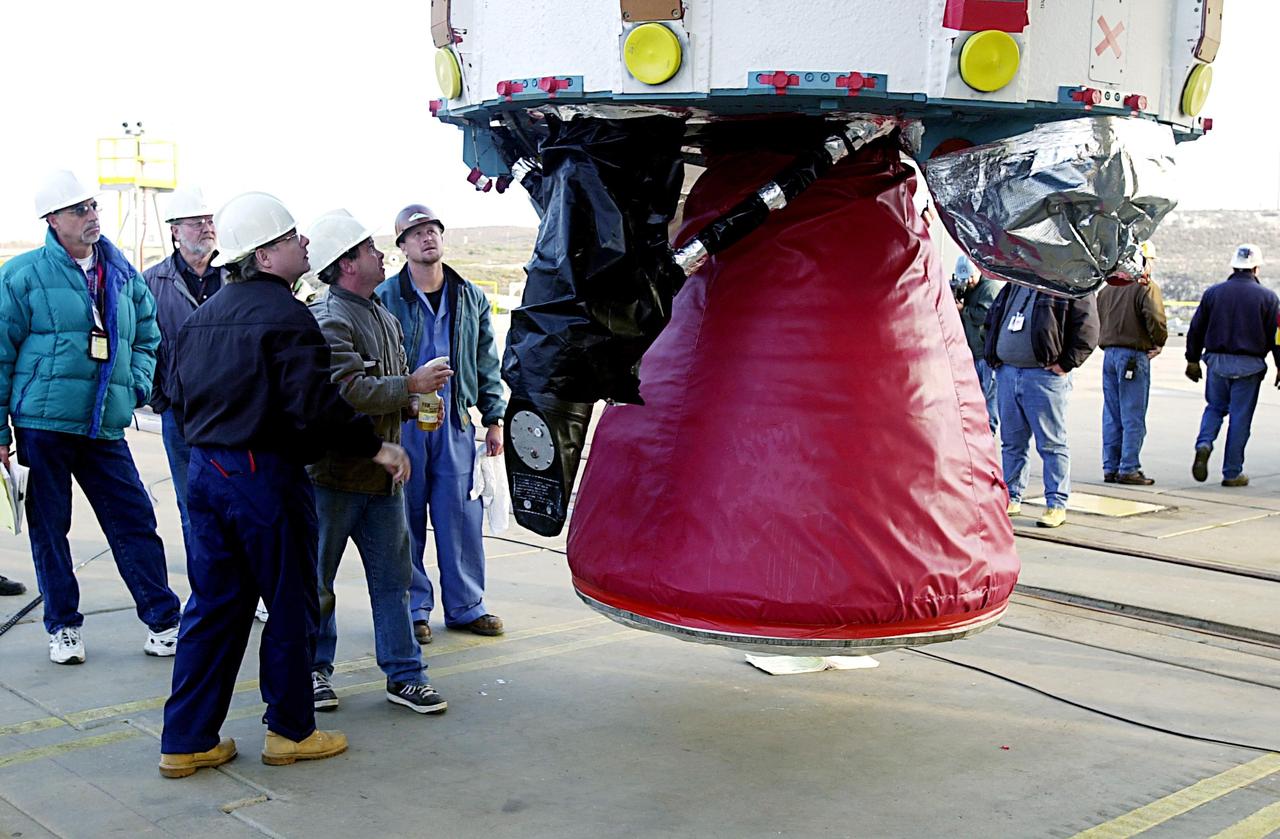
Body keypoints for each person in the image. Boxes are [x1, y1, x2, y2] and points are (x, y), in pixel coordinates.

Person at [158, 192, 410, 778]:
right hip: (263, 476)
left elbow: (170, 394)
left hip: (208, 474)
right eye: (290, 236)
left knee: (213, 607)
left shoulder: (200, 317)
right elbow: (316, 406)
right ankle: (291, 732)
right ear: (263, 258)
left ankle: (186, 740)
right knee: (292, 602)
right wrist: (375, 446)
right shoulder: (287, 315)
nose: (303, 243)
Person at [0, 170, 181, 664]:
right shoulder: (23, 275)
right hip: (43, 426)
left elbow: (149, 335)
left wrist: (137, 384)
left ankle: (163, 620)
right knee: (49, 528)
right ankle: (63, 627)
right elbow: (0, 354)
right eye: (79, 210)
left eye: (93, 207)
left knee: (134, 520)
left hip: (105, 423)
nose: (92, 216)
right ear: (53, 220)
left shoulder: (121, 274)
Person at [303, 210, 451, 715]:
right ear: (346, 263)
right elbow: (343, 393)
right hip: (332, 478)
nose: (380, 254)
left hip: (383, 478)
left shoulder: (383, 318)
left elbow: (379, 393)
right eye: (369, 248)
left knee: (394, 582)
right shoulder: (329, 319)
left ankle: (406, 675)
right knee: (316, 584)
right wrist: (410, 386)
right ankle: (314, 672)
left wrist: (413, 404)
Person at [377, 205, 507, 644]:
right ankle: (414, 608)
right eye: (416, 233)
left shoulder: (468, 295)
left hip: (454, 421)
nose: (427, 237)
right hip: (406, 419)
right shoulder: (386, 297)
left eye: (432, 230)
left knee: (461, 516)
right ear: (402, 247)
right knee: (404, 519)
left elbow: (486, 357)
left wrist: (494, 417)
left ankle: (468, 606)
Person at [143, 187, 224, 551]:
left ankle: (238, 600)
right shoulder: (150, 283)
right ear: (175, 231)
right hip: (181, 416)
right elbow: (141, 347)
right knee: (193, 507)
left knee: (236, 505)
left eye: (209, 221)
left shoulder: (233, 277)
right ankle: (207, 599)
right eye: (196, 223)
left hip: (233, 414)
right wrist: (159, 399)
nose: (206, 228)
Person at [984, 281, 1098, 528]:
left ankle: (1056, 503)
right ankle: (1011, 496)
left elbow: (1088, 328)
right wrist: (994, 356)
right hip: (1008, 373)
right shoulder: (1015, 283)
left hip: (1043, 377)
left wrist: (1066, 363)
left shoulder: (1067, 283)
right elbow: (993, 317)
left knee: (1051, 443)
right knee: (1012, 443)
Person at [1185, 243, 1280, 488]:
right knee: (1240, 418)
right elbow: (1276, 337)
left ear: (1234, 266)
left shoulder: (1213, 293)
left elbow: (1196, 329)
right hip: (1249, 366)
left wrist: (1192, 359)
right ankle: (1232, 472)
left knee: (1214, 408)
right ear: (1256, 268)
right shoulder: (1268, 298)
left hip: (1216, 362)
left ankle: (1204, 444)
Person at [1097, 241, 1167, 485]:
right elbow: (1156, 319)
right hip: (1133, 357)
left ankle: (1111, 466)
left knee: (1112, 414)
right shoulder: (1145, 287)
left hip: (1109, 356)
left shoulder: (1107, 289)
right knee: (1133, 415)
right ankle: (1129, 468)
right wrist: (1158, 343)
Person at [954, 256, 1001, 434]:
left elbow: (985, 315)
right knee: (975, 394)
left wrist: (963, 310)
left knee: (989, 395)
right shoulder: (968, 289)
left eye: (970, 279)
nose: (968, 283)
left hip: (986, 353)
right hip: (973, 352)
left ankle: (989, 430)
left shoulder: (989, 288)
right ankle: (976, 430)